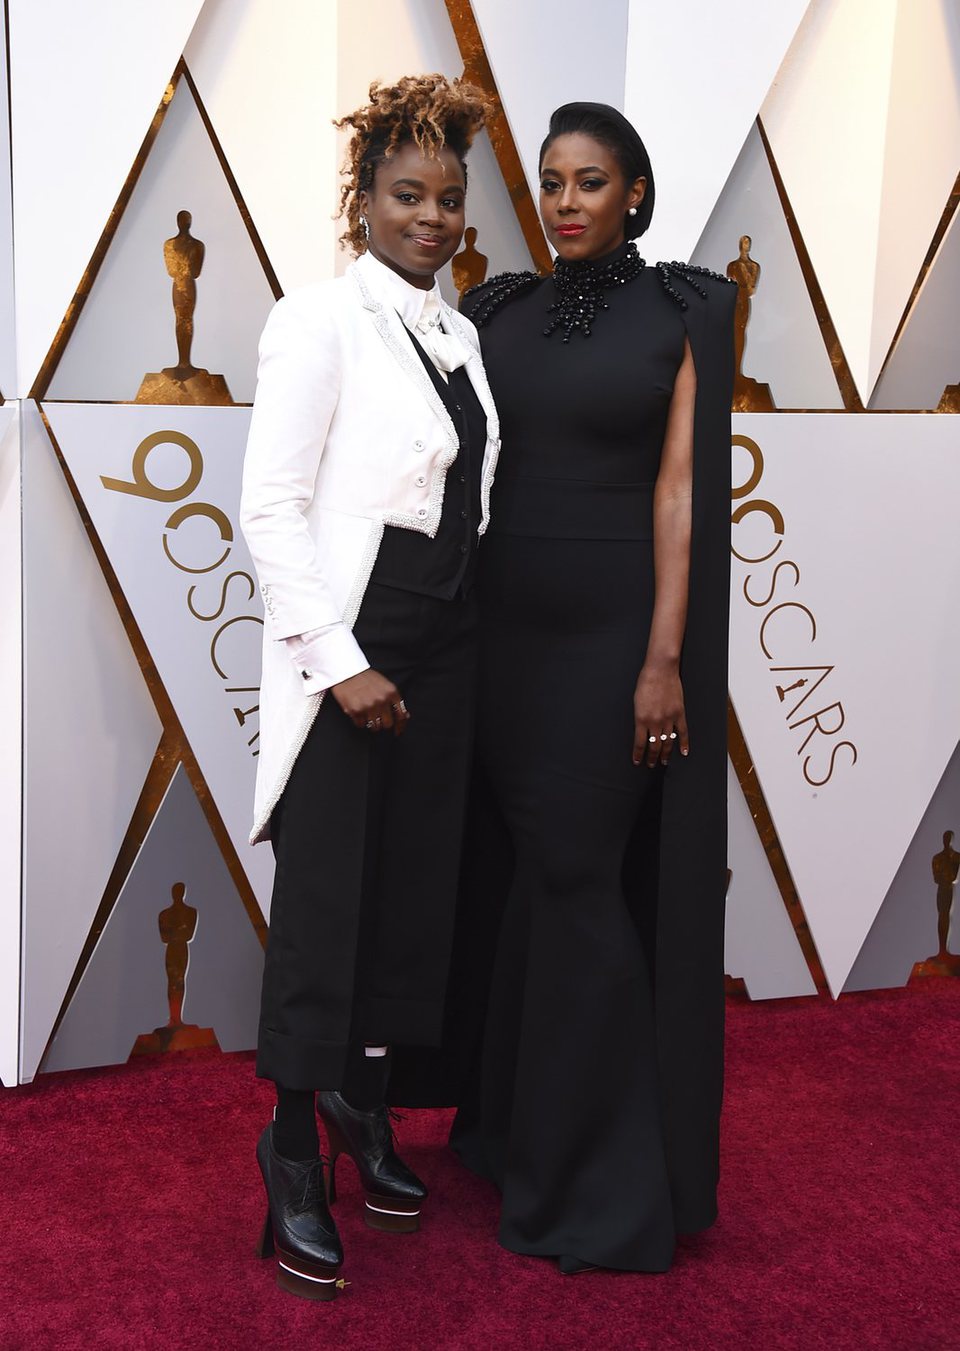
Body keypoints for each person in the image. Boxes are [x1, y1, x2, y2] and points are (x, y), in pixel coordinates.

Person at [455, 102, 735, 1275]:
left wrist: (662, 658)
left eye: (592, 182)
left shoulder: (686, 309)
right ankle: (518, 1131)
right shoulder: (495, 309)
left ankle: (609, 1189)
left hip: (613, 637)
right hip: (497, 639)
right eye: (554, 183)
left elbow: (681, 497)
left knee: (579, 878)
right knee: (527, 879)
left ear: (636, 192)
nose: (568, 202)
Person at [239, 73, 495, 1301]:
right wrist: (343, 667)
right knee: (330, 909)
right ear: (364, 201)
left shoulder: (461, 333)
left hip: (447, 645)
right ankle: (293, 1153)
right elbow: (270, 511)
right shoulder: (317, 320)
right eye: (408, 194)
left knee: (411, 906)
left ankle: (363, 1101)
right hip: (356, 644)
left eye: (448, 196)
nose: (432, 217)